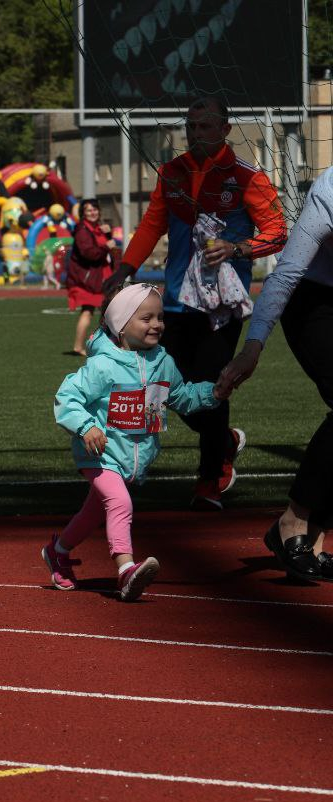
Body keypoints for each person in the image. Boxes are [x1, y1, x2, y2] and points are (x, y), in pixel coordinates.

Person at [104, 96, 286, 510]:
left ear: (224, 130)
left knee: (213, 387)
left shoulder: (246, 176)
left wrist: (237, 248)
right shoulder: (171, 172)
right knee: (163, 388)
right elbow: (153, 223)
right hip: (174, 304)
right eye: (190, 126)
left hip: (220, 307)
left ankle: (210, 480)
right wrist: (126, 267)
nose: (195, 133)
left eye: (204, 126)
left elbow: (278, 232)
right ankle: (224, 441)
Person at [45, 284, 227, 601]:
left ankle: (58, 551)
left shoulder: (164, 363)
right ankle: (126, 570)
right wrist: (87, 427)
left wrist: (214, 393)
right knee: (120, 503)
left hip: (132, 459)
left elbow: (182, 398)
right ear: (121, 324)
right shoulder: (103, 365)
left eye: (159, 317)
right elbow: (67, 398)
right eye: (146, 318)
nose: (156, 324)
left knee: (93, 513)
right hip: (99, 455)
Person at [217, 166, 333, 581]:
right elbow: (286, 274)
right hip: (315, 303)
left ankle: (314, 535)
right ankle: (293, 523)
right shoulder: (331, 187)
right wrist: (253, 347)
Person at [64, 199, 115, 356]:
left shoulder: (95, 228)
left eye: (95, 209)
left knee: (99, 311)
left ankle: (82, 346)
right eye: (88, 210)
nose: (92, 213)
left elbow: (105, 247)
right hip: (90, 279)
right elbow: (90, 253)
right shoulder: (83, 231)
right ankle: (88, 346)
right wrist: (107, 245)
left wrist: (107, 234)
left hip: (98, 276)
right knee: (105, 310)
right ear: (83, 214)